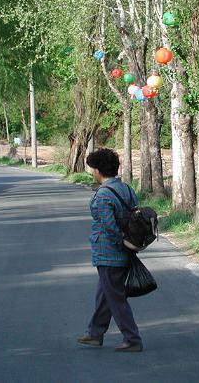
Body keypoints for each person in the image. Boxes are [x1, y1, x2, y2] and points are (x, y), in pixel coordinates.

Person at [76, 148, 143, 352]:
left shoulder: (104, 194)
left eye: (92, 170)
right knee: (105, 294)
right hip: (123, 252)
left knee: (115, 298)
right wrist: (129, 245)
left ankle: (132, 339)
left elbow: (109, 227)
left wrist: (121, 243)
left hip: (109, 253)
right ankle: (95, 334)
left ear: (98, 170)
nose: (92, 173)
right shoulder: (127, 189)